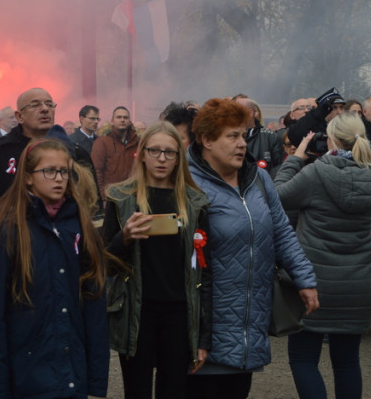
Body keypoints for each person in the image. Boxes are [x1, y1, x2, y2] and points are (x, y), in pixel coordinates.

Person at [185, 98, 318, 399]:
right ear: (206, 140)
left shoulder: (257, 180)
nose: (242, 144)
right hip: (205, 324)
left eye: (243, 135)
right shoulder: (187, 183)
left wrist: (304, 278)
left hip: (249, 323)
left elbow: (281, 231)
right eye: (232, 136)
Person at [0, 138, 108, 399]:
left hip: (73, 374)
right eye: (49, 171)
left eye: (64, 171)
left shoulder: (79, 226)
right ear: (28, 177)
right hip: (28, 375)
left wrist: (97, 385)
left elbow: (95, 311)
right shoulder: (8, 229)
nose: (59, 178)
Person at [274, 114, 371, 399]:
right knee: (347, 362)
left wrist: (296, 158)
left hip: (315, 283)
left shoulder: (316, 174)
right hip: (356, 284)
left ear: (331, 139)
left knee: (303, 359)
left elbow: (275, 197)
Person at [102, 121, 212, 398]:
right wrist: (124, 237)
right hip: (136, 311)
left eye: (170, 152)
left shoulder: (195, 202)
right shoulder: (121, 198)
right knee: (136, 391)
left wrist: (203, 336)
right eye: (154, 151)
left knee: (173, 391)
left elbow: (204, 271)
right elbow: (103, 263)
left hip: (178, 312)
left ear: (179, 158)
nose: (162, 159)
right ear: (141, 154)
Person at [91, 106, 140, 196]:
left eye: (125, 117)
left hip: (133, 195)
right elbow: (96, 172)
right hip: (110, 196)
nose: (122, 120)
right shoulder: (102, 142)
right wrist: (103, 197)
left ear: (129, 121)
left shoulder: (137, 143)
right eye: (119, 117)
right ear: (112, 121)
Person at [235, 96, 285, 172]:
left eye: (235, 111)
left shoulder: (271, 137)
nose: (231, 114)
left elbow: (278, 167)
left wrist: (263, 180)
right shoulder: (227, 137)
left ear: (250, 112)